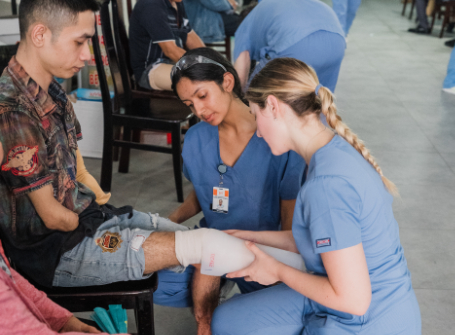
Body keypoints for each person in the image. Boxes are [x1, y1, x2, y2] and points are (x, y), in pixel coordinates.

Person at [0, 2, 221, 332]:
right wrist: (103, 225)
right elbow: (54, 217)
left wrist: (101, 214)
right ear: (40, 35)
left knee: (207, 249)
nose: (87, 55)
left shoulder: (53, 89)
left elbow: (75, 170)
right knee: (205, 250)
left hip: (87, 223)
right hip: (55, 250)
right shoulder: (14, 110)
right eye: (80, 41)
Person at [210, 58, 422, 334]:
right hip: (373, 297)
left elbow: (354, 301)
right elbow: (320, 239)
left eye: (255, 115)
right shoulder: (326, 152)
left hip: (368, 318)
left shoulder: (326, 186)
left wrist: (276, 270)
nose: (258, 132)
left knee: (231, 325)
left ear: (273, 106)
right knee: (227, 319)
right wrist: (250, 238)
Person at [167, 47, 305, 334]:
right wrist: (171, 222)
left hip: (263, 253)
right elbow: (205, 191)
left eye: (202, 96)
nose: (199, 110)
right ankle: (213, 307)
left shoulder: (276, 139)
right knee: (148, 276)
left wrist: (279, 273)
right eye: (189, 104)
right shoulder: (195, 139)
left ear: (227, 82)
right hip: (214, 246)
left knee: (237, 323)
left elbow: (289, 225)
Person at [233, 0, 345, 93]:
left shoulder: (244, 27)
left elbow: (241, 73)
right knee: (321, 99)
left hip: (297, 43)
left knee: (254, 93)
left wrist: (238, 99)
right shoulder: (272, 8)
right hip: (337, 41)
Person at [129, 0, 205, 91]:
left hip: (172, 62)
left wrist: (215, 60)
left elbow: (189, 36)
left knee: (216, 78)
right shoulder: (151, 5)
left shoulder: (177, 3)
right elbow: (170, 51)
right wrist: (206, 66)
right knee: (204, 82)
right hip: (150, 69)